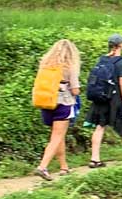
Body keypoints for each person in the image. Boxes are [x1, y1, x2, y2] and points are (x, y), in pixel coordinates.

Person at [87, 33, 122, 168]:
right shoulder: (121, 62)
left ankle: (94, 159)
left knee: (100, 126)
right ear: (121, 45)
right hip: (115, 99)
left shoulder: (101, 60)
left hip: (101, 98)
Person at [34, 39, 81, 181]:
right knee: (56, 137)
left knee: (58, 136)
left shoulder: (45, 65)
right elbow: (75, 90)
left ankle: (64, 167)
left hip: (47, 103)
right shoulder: (70, 66)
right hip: (64, 104)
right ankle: (42, 167)